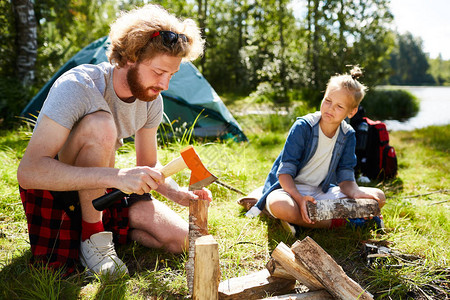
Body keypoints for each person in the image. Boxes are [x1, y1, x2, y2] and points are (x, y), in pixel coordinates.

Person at [17, 4, 210, 277]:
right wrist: (117, 176)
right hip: (58, 191)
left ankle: (109, 232)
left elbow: (150, 164)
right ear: (131, 57)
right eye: (158, 72)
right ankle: (94, 238)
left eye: (172, 75)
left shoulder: (152, 101)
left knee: (182, 240)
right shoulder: (80, 86)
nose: (165, 84)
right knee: (102, 124)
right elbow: (29, 172)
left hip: (104, 191)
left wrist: (176, 194)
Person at [246, 66, 386, 234]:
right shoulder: (303, 127)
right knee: (279, 205)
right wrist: (299, 199)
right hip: (289, 190)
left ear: (352, 112)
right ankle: (347, 222)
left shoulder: (348, 134)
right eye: (328, 101)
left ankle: (301, 221)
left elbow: (345, 178)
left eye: (339, 106)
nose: (330, 108)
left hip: (322, 192)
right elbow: (284, 174)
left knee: (378, 197)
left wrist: (356, 193)